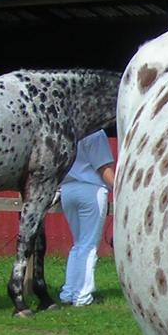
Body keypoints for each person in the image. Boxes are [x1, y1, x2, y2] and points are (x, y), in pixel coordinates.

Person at [59, 128, 114, 307]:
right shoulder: (95, 133)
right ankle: (83, 296)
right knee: (89, 244)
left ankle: (68, 292)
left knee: (78, 243)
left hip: (67, 189)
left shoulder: (68, 131)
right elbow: (103, 168)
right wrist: (119, 188)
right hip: (91, 190)